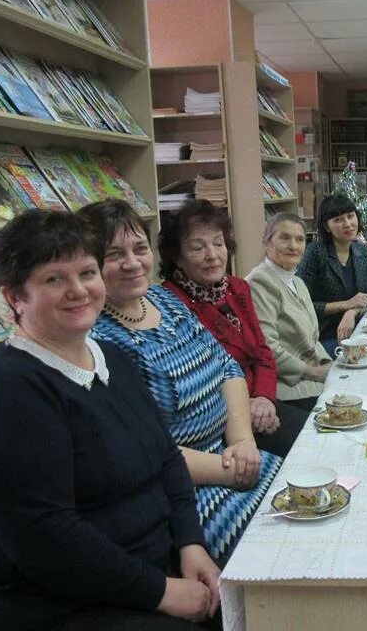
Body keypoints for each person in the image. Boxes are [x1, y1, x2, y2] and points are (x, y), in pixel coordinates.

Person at [0, 210, 221, 630]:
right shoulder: (4, 395)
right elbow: (48, 542)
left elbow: (166, 461)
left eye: (87, 272)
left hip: (139, 576)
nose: (78, 290)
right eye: (54, 279)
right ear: (14, 296)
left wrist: (191, 543)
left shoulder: (115, 360)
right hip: (49, 605)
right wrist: (162, 592)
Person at [80, 200, 281, 567]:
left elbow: (228, 367)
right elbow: (146, 450)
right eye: (113, 254)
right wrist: (231, 468)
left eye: (139, 249)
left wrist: (241, 442)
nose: (132, 262)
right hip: (185, 493)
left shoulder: (163, 299)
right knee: (282, 545)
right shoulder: (98, 342)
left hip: (235, 456)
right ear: (89, 266)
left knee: (318, 501)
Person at [157, 200, 307, 457]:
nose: (212, 255)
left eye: (218, 243)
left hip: (261, 403)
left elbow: (262, 352)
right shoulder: (169, 304)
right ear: (177, 257)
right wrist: (244, 408)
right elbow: (200, 377)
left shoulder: (237, 289)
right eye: (197, 247)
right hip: (221, 420)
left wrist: (264, 399)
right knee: (308, 450)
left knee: (323, 435)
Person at [246, 213, 333, 413]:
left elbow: (312, 339)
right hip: (289, 390)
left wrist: (329, 364)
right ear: (267, 243)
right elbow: (267, 347)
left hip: (313, 380)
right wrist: (314, 372)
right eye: (284, 238)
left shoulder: (297, 282)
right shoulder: (260, 282)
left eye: (300, 239)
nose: (293, 246)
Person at [297, 194, 367, 354]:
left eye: (350, 216)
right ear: (327, 227)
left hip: (361, 330)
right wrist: (344, 305)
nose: (348, 224)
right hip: (325, 335)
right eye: (338, 220)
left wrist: (352, 311)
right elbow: (302, 304)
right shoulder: (315, 252)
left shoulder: (360, 250)